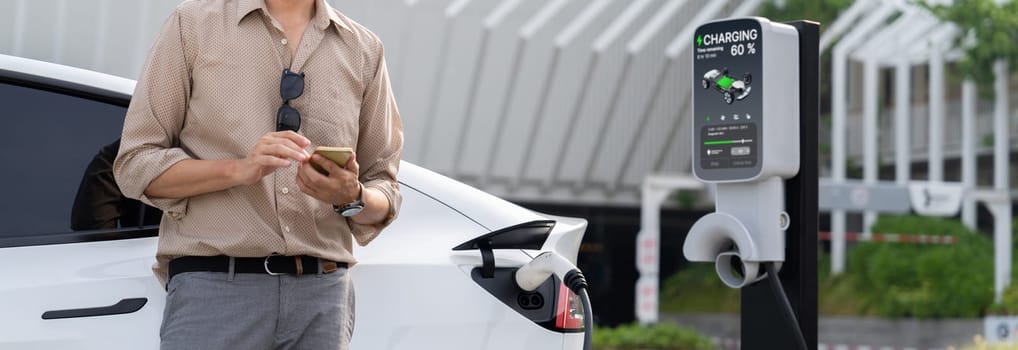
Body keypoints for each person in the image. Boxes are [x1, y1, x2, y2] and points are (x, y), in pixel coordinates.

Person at [112, 0, 403, 348]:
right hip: (215, 291)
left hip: (322, 296)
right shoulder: (191, 25)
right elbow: (135, 163)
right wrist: (239, 169)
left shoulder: (363, 48)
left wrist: (351, 197)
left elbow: (384, 188)